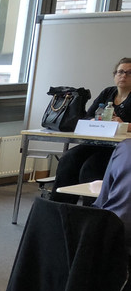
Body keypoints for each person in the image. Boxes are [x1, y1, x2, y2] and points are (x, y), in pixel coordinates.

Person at [51, 58, 131, 202]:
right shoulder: (108, 92)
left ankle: (92, 211)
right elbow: (88, 116)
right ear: (115, 75)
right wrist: (94, 120)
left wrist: (124, 124)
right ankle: (60, 208)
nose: (123, 76)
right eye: (120, 72)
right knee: (68, 159)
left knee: (90, 168)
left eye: (129, 73)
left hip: (121, 148)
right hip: (98, 143)